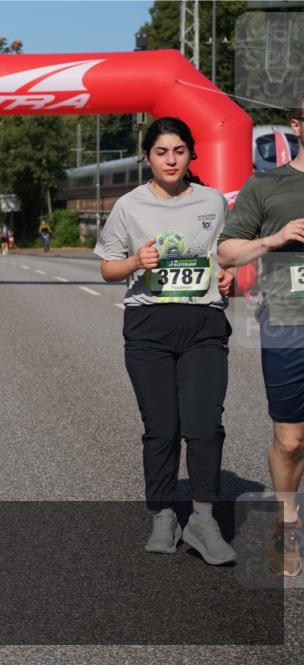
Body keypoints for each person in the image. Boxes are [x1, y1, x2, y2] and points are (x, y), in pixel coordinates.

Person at [95, 116, 236, 565]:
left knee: (204, 425)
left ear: (191, 154)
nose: (170, 160)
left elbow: (225, 257)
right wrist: (136, 261)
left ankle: (204, 520)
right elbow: (108, 267)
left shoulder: (213, 201)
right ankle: (163, 515)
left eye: (178, 151)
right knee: (162, 428)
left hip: (204, 325)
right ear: (147, 158)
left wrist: (228, 276)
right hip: (148, 327)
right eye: (161, 152)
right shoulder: (129, 206)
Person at [218, 98, 304, 577]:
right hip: (288, 323)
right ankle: (286, 520)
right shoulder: (267, 184)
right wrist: (274, 239)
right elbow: (227, 252)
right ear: (297, 125)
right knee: (290, 441)